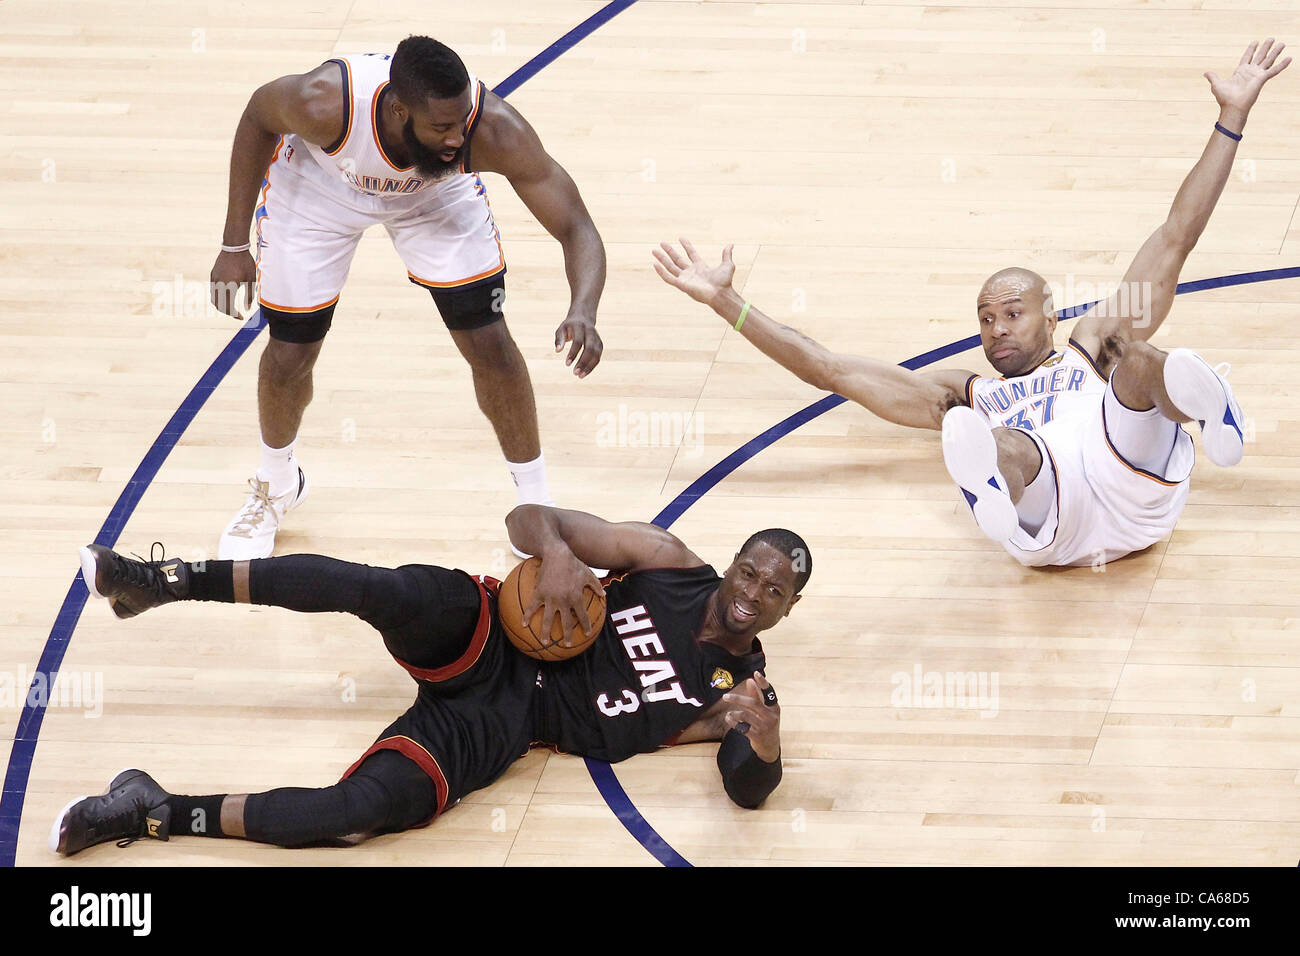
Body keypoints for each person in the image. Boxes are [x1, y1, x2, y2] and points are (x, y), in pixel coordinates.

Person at [654, 40, 1289, 568]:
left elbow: (1177, 233)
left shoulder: (1091, 344)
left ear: (1052, 317)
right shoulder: (967, 393)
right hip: (1054, 519)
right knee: (995, 437)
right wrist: (727, 302)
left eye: (1012, 313)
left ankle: (1209, 415)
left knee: (1141, 360)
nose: (995, 329)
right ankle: (992, 488)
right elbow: (830, 369)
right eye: (985, 320)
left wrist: (1230, 118)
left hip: (1132, 480)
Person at [53, 508, 809, 855]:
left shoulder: (740, 692)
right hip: (493, 632)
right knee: (377, 590)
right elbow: (527, 517)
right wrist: (554, 553)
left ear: (789, 606)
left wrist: (768, 745)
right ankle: (166, 579)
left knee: (355, 815)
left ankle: (154, 811)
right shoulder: (668, 560)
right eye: (750, 571)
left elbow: (749, 791)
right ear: (734, 560)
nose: (753, 593)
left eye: (774, 592)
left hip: (505, 726)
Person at [209, 35, 607, 560]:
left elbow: (576, 225)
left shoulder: (491, 132)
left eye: (462, 120)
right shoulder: (324, 102)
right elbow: (258, 117)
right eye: (442, 126)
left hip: (432, 196)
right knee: (290, 351)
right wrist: (234, 244)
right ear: (399, 110)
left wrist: (583, 308)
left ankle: (535, 507)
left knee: (489, 341)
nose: (457, 136)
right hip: (322, 187)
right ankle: (276, 484)